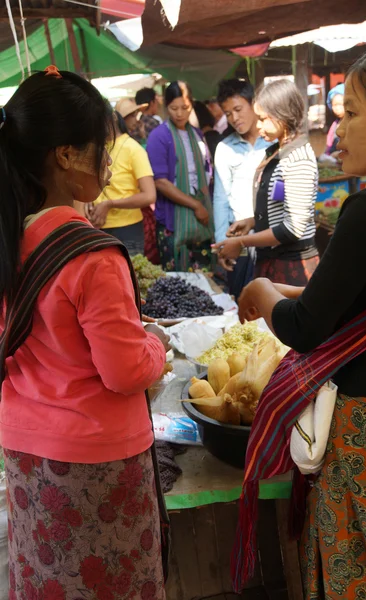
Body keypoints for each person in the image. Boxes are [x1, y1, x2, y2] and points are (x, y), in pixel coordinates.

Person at [0, 67, 170, 599]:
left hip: (24, 453)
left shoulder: (10, 236)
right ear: (65, 154)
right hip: (95, 463)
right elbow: (123, 372)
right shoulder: (90, 253)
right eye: (104, 145)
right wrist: (156, 345)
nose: (109, 159)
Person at [238, 45, 366, 599]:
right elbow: (361, 299)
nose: (338, 130)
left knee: (361, 566)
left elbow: (308, 326)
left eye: (352, 113)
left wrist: (260, 289)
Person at [214, 79, 319, 287]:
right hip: (274, 260)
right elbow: (279, 201)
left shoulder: (298, 158)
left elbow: (293, 228)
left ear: (282, 115)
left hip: (292, 266)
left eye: (262, 119)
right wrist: (253, 221)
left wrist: (242, 242)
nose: (258, 125)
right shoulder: (279, 153)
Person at [146, 81, 214, 272]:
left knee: (203, 274)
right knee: (178, 277)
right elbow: (160, 182)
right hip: (173, 219)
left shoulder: (196, 134)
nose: (179, 113)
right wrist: (196, 205)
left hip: (200, 218)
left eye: (185, 107)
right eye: (173, 108)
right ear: (165, 106)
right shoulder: (159, 137)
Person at [212, 79, 268, 298]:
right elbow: (220, 199)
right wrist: (221, 245)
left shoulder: (272, 141)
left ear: (253, 104)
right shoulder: (225, 148)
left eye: (238, 109)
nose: (234, 118)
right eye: (227, 114)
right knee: (244, 301)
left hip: (270, 238)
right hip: (238, 242)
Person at [88, 110, 156, 256]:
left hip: (127, 229)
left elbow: (149, 196)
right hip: (97, 228)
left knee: (128, 276)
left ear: (111, 119)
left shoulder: (133, 149)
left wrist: (109, 204)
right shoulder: (96, 147)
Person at [325, 83, 345, 156]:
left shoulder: (352, 124)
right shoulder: (335, 124)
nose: (337, 108)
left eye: (340, 104)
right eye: (335, 105)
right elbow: (329, 146)